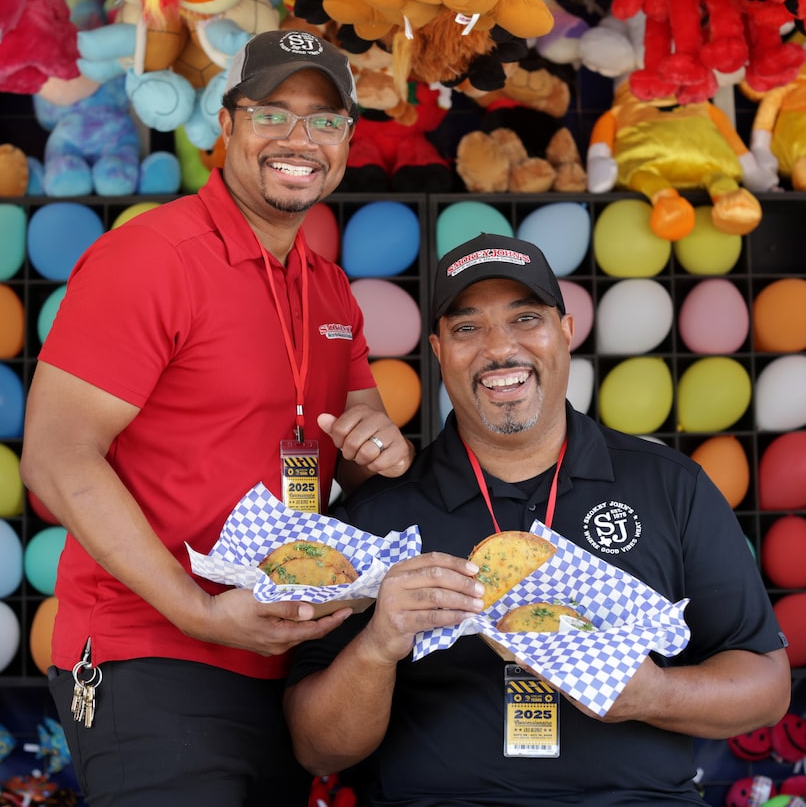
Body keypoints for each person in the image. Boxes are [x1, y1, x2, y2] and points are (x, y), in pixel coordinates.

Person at [19, 29, 414, 807]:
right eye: (272, 113)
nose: (299, 138)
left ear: (346, 141)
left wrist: (383, 449)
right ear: (226, 125)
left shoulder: (328, 287)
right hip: (154, 653)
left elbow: (362, 443)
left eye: (324, 120)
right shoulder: (151, 257)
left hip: (284, 660)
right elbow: (57, 458)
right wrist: (198, 612)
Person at [284, 232, 791, 806]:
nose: (500, 348)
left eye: (526, 318)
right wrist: (378, 645)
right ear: (439, 350)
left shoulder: (671, 486)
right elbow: (317, 750)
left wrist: (652, 694)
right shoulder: (381, 513)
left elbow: (766, 687)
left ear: (566, 331)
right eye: (468, 328)